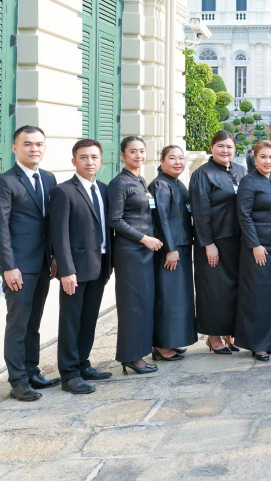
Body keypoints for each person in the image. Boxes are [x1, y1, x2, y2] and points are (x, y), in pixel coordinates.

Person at [0, 126, 60, 401]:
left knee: (33, 322)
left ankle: (31, 370)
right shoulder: (4, 182)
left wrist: (54, 256)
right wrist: (8, 266)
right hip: (18, 266)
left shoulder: (49, 179)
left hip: (42, 264)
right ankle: (17, 380)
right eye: (27, 144)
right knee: (18, 323)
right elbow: (0, 229)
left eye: (39, 144)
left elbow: (50, 222)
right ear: (15, 148)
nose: (34, 148)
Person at [50, 139, 113, 395]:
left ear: (101, 161)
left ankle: (83, 364)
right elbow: (59, 234)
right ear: (74, 161)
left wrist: (108, 266)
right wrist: (66, 270)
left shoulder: (105, 190)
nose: (89, 162)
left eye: (94, 157)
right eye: (84, 157)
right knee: (71, 322)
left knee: (89, 320)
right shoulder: (63, 191)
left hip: (99, 266)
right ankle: (69, 374)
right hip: (75, 269)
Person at [235, 140, 271, 361]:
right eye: (263, 157)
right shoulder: (248, 182)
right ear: (254, 158)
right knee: (257, 296)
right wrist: (255, 245)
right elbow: (244, 215)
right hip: (257, 248)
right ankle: (257, 343)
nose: (268, 161)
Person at [108, 136, 163, 375]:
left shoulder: (140, 180)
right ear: (123, 155)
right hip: (130, 252)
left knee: (143, 303)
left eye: (141, 151)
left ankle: (138, 352)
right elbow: (115, 220)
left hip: (144, 251)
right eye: (133, 151)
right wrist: (144, 238)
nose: (138, 155)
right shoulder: (120, 183)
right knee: (132, 305)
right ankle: (130, 356)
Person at [190, 130, 245, 354]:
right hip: (214, 241)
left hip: (237, 240)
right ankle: (213, 336)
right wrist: (208, 243)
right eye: (220, 146)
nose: (225, 150)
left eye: (229, 146)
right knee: (213, 290)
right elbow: (200, 212)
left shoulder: (240, 170)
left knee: (234, 289)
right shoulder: (202, 174)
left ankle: (231, 332)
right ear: (212, 147)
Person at [149, 145, 197, 361]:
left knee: (179, 298)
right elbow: (161, 218)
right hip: (170, 251)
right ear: (161, 161)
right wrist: (170, 249)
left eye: (181, 158)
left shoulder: (178, 184)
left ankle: (173, 339)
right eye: (172, 158)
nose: (178, 162)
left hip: (182, 248)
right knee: (167, 297)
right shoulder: (159, 184)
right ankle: (161, 345)